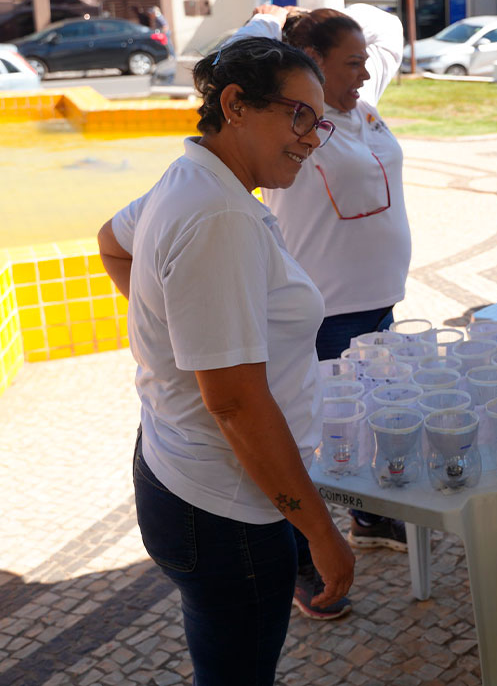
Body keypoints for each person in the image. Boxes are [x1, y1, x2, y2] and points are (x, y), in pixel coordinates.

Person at [96, 37, 354, 685]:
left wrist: (177, 329)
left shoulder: (194, 176)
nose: (311, 138)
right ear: (235, 104)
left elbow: (112, 242)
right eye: (299, 116)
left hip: (177, 470)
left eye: (318, 123)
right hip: (226, 507)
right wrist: (322, 536)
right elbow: (235, 403)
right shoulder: (219, 215)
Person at [232, 3, 412, 616]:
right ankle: (304, 559)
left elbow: (387, 26)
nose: (366, 71)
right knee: (309, 438)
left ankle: (367, 516)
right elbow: (228, 64)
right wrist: (267, 20)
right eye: (352, 63)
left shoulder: (361, 105)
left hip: (379, 302)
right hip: (325, 312)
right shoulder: (290, 120)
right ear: (310, 64)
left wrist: (319, 14)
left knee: (370, 418)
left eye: (365, 62)